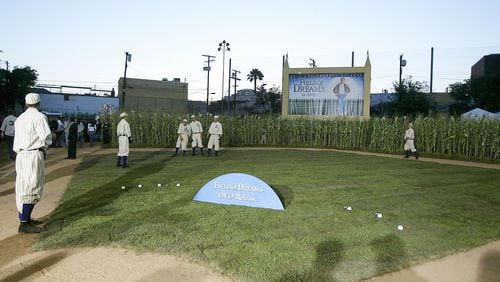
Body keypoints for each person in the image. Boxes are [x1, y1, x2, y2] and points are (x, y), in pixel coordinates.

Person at [13, 93, 52, 233]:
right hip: (33, 154)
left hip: (20, 155)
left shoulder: (20, 118)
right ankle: (24, 223)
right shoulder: (39, 117)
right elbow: (46, 137)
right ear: (38, 103)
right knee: (33, 186)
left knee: (22, 186)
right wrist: (45, 147)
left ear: (26, 103)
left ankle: (25, 218)